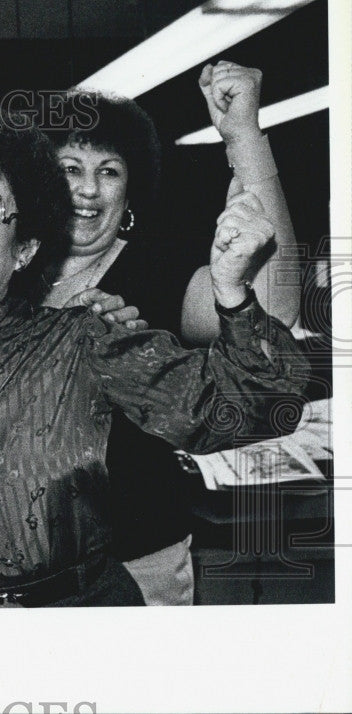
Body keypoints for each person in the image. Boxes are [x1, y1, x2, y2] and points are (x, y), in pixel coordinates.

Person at [0, 116, 306, 607]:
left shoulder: (86, 338)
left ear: (25, 249)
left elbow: (258, 405)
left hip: (82, 620)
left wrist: (232, 292)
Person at [40, 63, 299, 604]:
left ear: (131, 189)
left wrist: (244, 136)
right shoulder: (4, 275)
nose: (88, 189)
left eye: (109, 171)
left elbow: (274, 309)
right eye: (70, 168)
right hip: (28, 575)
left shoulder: (155, 275)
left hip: (142, 564)